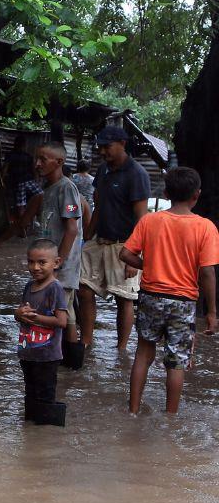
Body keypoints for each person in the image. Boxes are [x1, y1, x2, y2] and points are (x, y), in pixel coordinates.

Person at [119, 167, 219, 414]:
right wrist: (212, 312)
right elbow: (207, 273)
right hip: (183, 301)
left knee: (143, 354)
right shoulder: (205, 228)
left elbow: (126, 254)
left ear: (165, 193)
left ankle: (133, 411)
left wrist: (149, 264)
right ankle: (171, 418)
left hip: (151, 296)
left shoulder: (150, 221)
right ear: (197, 195)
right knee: (176, 363)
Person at [0, 142, 83, 356]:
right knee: (64, 312)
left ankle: (70, 361)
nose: (37, 164)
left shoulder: (67, 188)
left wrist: (57, 263)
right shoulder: (47, 190)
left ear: (59, 162)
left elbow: (72, 229)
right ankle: (64, 364)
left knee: (65, 315)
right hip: (52, 264)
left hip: (59, 266)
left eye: (43, 159)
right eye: (37, 159)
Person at [80, 125, 150, 353]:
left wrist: (134, 256)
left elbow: (142, 219)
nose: (102, 151)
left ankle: (120, 349)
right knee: (84, 288)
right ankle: (86, 341)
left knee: (124, 298)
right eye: (100, 147)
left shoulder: (137, 174)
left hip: (124, 245)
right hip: (99, 240)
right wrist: (86, 238)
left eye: (107, 146)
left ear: (122, 144)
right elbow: (98, 206)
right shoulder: (103, 170)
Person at [16, 238, 70, 425]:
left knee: (45, 395)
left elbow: (62, 321)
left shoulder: (55, 288)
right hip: (28, 351)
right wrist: (18, 314)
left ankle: (45, 437)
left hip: (47, 355)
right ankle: (31, 434)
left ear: (56, 263)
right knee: (30, 393)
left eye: (42, 262)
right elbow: (22, 313)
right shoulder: (29, 286)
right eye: (31, 262)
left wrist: (35, 318)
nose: (35, 267)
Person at [3, 136, 40, 237]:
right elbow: (34, 171)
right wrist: (36, 182)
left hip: (18, 183)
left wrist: (3, 181)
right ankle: (36, 222)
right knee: (42, 198)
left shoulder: (10, 155)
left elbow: (5, 171)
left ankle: (23, 230)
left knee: (21, 206)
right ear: (24, 145)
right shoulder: (28, 156)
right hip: (29, 182)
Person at [71, 159, 94, 225]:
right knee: (87, 224)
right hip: (89, 206)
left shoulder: (72, 177)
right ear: (89, 168)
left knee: (73, 223)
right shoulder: (93, 180)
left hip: (73, 204)